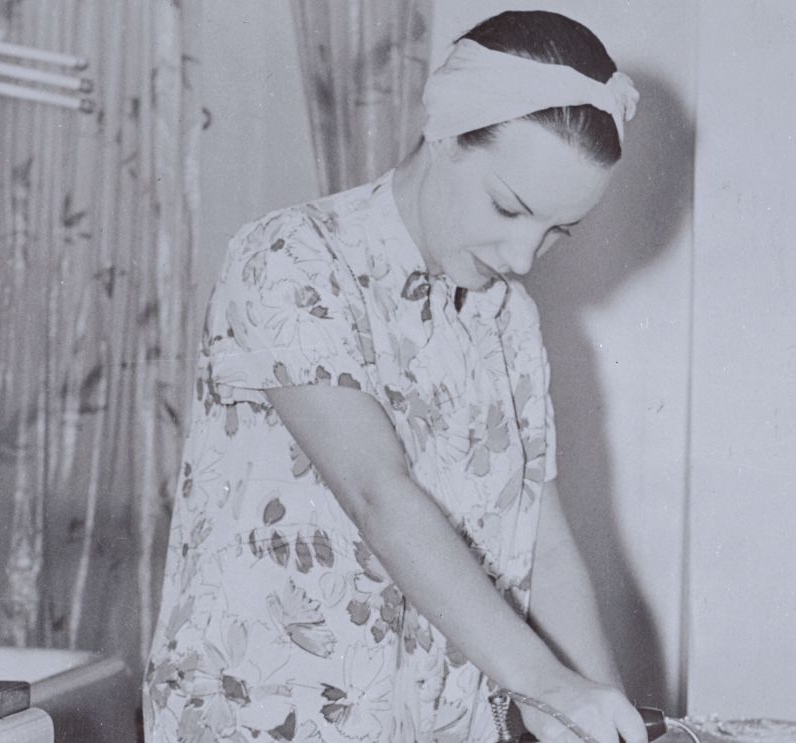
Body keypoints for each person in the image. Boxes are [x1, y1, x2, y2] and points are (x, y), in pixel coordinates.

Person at [142, 10, 645, 743]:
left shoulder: (506, 317)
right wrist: (541, 683)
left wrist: (607, 714)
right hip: (266, 721)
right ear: (444, 136)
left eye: (555, 233)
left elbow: (544, 544)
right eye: (508, 207)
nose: (521, 257)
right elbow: (378, 492)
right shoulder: (292, 258)